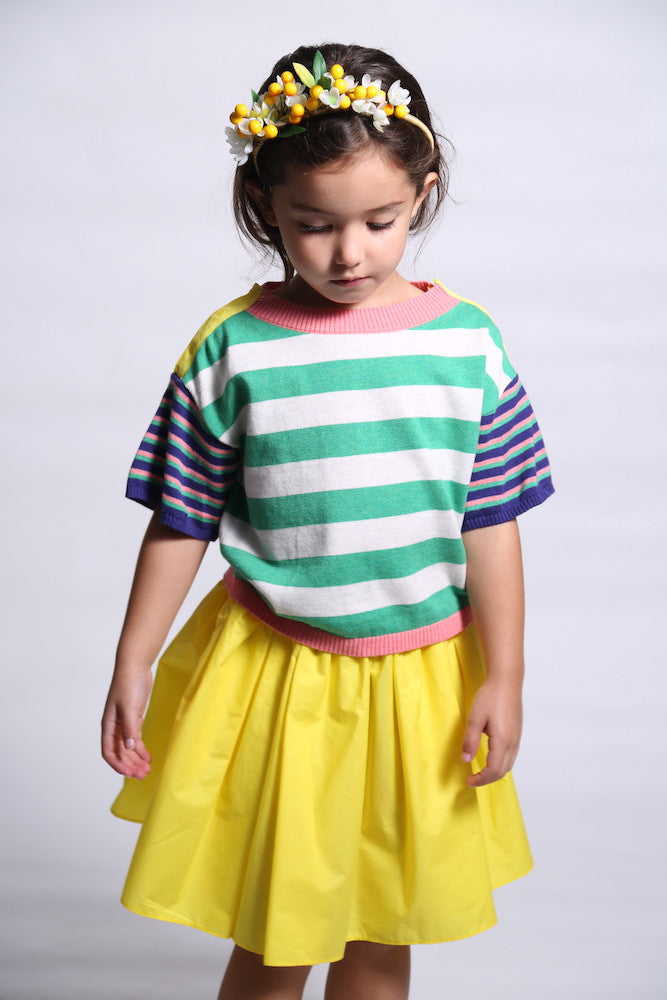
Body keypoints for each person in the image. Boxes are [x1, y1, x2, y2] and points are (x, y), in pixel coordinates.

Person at [101, 42, 554, 1000]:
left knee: (383, 935)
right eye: (314, 225)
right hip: (278, 678)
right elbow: (181, 519)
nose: (349, 253)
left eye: (379, 222)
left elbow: (491, 521)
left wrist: (505, 675)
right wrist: (132, 661)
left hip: (421, 684)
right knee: (278, 937)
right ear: (265, 204)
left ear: (422, 195)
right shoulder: (232, 349)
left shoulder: (468, 345)